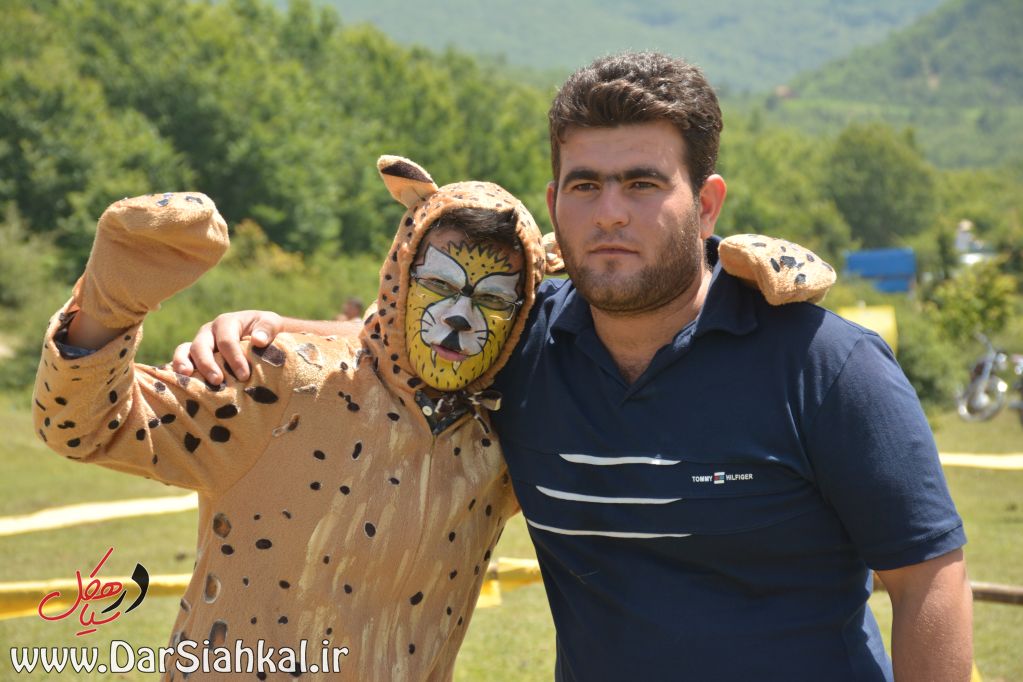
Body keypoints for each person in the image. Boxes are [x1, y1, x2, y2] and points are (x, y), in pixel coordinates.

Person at [171, 54, 970, 682]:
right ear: (554, 204)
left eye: (643, 183)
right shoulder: (519, 348)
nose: (610, 212)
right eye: (586, 185)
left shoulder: (825, 366)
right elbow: (399, 343)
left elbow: (927, 579)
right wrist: (271, 326)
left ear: (706, 203)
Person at [32, 156, 548, 680]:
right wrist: (108, 304)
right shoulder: (284, 385)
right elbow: (85, 426)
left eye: (492, 298)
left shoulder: (507, 437)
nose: (460, 316)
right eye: (438, 284)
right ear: (401, 275)